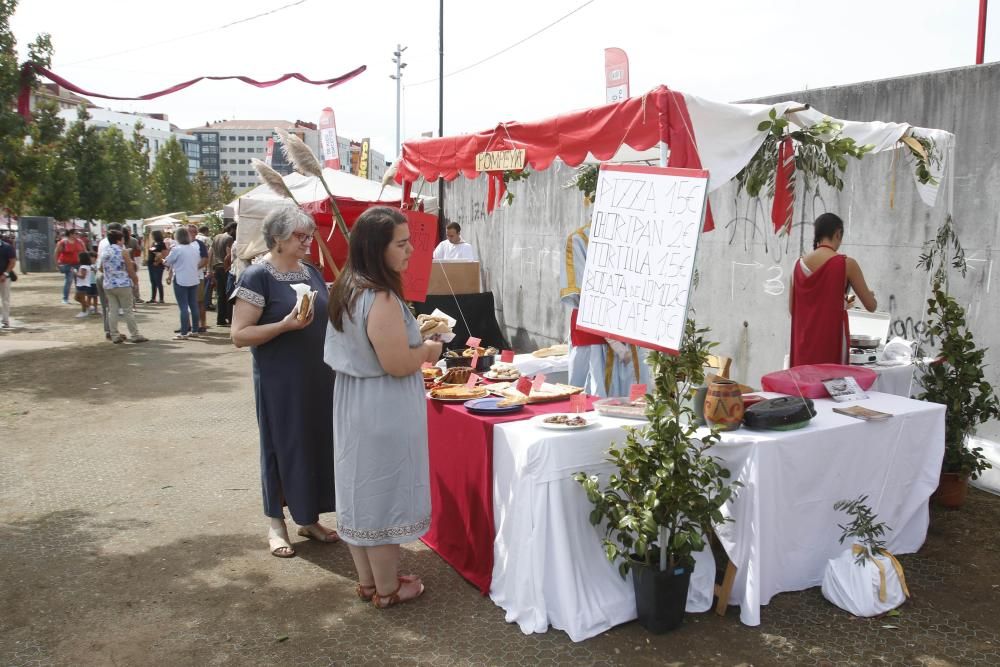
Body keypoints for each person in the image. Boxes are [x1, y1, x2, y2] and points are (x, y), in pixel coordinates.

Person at [325, 206, 441, 608]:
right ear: (377, 248)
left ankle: (370, 582)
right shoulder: (380, 297)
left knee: (359, 493)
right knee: (383, 495)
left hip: (354, 401)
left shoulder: (346, 286)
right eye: (402, 243)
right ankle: (389, 589)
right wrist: (428, 349)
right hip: (382, 406)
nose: (410, 250)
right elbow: (397, 364)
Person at [230, 205, 338, 558]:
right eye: (299, 236)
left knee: (315, 445)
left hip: (319, 376)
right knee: (281, 446)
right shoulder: (257, 277)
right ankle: (276, 523)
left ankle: (308, 518)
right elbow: (240, 335)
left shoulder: (310, 271)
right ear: (276, 237)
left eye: (309, 235)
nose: (308, 242)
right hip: (280, 380)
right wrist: (283, 326)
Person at [559, 222, 649, 397]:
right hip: (594, 338)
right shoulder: (580, 239)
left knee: (636, 398)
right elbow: (580, 296)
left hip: (630, 330)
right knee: (596, 398)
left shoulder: (638, 236)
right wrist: (613, 339)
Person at [789, 212, 877, 366]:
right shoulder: (847, 264)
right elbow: (871, 306)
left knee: (802, 388)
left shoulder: (797, 265)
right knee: (831, 386)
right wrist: (869, 295)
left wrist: (842, 302)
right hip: (830, 344)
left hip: (803, 347)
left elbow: (793, 309)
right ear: (838, 234)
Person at [99, 229, 148, 344]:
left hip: (109, 284)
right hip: (122, 283)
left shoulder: (105, 252)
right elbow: (130, 268)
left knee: (112, 310)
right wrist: (135, 281)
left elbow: (101, 268)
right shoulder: (123, 251)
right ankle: (135, 334)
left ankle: (114, 334)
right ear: (119, 240)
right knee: (128, 310)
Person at [162, 227, 203, 340]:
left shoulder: (177, 249)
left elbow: (168, 261)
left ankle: (184, 332)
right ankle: (195, 330)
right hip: (193, 278)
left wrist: (163, 260)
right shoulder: (195, 247)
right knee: (193, 305)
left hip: (180, 279)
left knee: (183, 307)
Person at [96, 223, 123, 340]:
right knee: (113, 306)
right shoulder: (115, 244)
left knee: (105, 305)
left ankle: (109, 330)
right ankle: (113, 332)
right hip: (110, 277)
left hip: (101, 274)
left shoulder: (102, 242)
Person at [209, 222, 236, 326]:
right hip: (225, 268)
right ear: (232, 229)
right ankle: (229, 318)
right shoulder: (229, 238)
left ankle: (220, 319)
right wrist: (228, 266)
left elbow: (210, 253)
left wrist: (210, 269)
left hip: (217, 268)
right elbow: (228, 255)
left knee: (220, 295)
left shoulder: (216, 237)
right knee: (229, 294)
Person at [55, 229, 87, 304]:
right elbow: (56, 252)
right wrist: (57, 264)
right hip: (68, 264)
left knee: (79, 282)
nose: (78, 235)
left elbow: (85, 251)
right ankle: (65, 298)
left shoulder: (80, 242)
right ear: (70, 234)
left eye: (78, 233)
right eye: (76, 233)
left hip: (78, 264)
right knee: (69, 280)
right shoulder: (63, 242)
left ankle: (79, 297)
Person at [73, 251, 98, 317]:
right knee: (78, 298)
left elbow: (82, 276)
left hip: (82, 285)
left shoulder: (83, 267)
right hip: (83, 285)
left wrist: (75, 273)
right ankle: (88, 307)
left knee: (79, 298)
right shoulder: (87, 266)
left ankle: (85, 310)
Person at [123, 228, 143, 305]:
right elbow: (139, 249)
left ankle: (130, 297)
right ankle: (136, 297)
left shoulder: (119, 239)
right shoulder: (133, 240)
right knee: (134, 279)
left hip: (123, 263)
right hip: (131, 261)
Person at [147, 230, 167, 304]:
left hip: (158, 265)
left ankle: (161, 298)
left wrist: (158, 262)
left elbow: (164, 254)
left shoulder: (162, 244)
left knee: (158, 281)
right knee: (153, 281)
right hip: (151, 264)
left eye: (152, 235)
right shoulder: (153, 243)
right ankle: (153, 298)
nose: (151, 236)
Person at [0, 234, 16, 328]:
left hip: (4, 277)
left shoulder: (7, 247)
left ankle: (5, 320)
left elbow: (12, 262)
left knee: (5, 299)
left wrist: (5, 274)